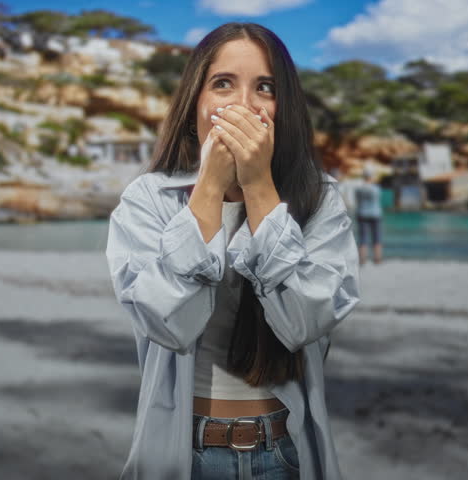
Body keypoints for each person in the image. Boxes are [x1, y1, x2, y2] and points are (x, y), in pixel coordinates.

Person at [106, 23, 360, 480]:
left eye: (265, 87)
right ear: (194, 106)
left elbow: (307, 320)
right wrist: (209, 187)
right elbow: (166, 321)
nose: (243, 105)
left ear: (285, 109)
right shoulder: (149, 199)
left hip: (282, 451)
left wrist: (259, 186)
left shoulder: (320, 198)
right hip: (183, 453)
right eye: (223, 84)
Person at [354, 168, 383, 265]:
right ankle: (377, 259)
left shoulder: (359, 189)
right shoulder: (376, 188)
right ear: (371, 177)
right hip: (375, 214)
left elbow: (357, 201)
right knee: (377, 237)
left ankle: (362, 260)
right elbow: (378, 199)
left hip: (362, 213)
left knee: (362, 238)